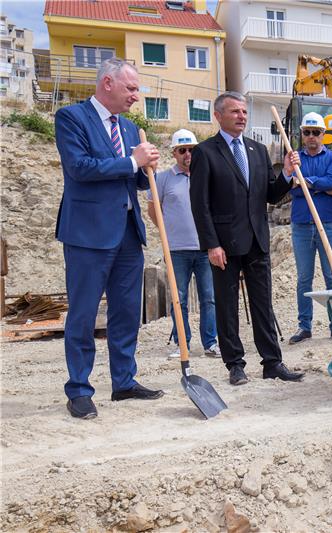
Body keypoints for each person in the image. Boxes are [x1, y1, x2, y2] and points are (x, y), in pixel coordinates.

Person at [55, 58, 163, 419]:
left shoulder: (131, 129)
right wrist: (132, 163)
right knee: (84, 314)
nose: (136, 95)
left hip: (128, 234)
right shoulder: (72, 118)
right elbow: (80, 169)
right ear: (107, 84)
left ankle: (124, 381)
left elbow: (131, 179)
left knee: (127, 312)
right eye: (131, 88)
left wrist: (146, 171)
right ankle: (80, 389)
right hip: (88, 234)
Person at [190, 91, 302, 386]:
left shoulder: (257, 150)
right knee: (227, 307)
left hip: (257, 240)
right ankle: (235, 364)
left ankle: (272, 362)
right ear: (218, 115)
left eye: (244, 112)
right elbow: (199, 204)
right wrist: (211, 244)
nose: (242, 116)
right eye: (235, 111)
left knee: (263, 304)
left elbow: (271, 195)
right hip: (224, 245)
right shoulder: (205, 152)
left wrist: (287, 174)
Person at [147, 129, 219, 359]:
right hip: (177, 250)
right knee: (179, 300)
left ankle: (211, 343)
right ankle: (182, 344)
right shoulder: (162, 179)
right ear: (174, 153)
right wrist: (167, 232)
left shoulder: (206, 176)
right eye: (182, 150)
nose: (188, 154)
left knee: (209, 298)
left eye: (192, 149)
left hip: (205, 248)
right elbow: (152, 209)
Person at [287, 112, 332, 345]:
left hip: (327, 223)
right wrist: (315, 184)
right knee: (304, 278)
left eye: (316, 132)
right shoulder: (294, 158)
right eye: (307, 132)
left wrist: (305, 181)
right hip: (301, 224)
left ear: (323, 134)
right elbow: (292, 188)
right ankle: (305, 326)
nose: (311, 137)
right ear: (302, 134)